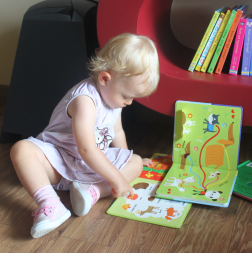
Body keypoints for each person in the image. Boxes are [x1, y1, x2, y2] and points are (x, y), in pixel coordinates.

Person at [10, 33, 160, 238]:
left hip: (90, 166)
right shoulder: (85, 100)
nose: (129, 102)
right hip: (59, 162)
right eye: (127, 96)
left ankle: (92, 192)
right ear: (105, 78)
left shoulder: (114, 100)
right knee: (21, 149)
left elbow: (117, 132)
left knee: (136, 162)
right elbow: (86, 148)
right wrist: (116, 177)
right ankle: (51, 204)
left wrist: (124, 160)